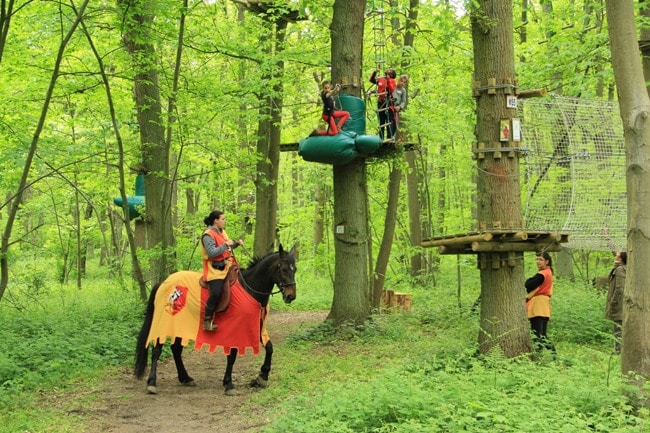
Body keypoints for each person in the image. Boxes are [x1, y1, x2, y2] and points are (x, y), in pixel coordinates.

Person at [200, 210, 243, 331]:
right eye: (223, 219)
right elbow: (212, 252)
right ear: (215, 220)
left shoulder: (222, 231)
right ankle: (207, 320)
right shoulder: (208, 234)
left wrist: (236, 244)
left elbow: (227, 245)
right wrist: (225, 245)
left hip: (227, 266)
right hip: (214, 269)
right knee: (216, 292)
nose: (225, 221)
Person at [525, 252, 557, 355]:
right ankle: (553, 355)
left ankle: (539, 355)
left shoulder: (543, 274)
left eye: (540, 259)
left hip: (538, 306)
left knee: (537, 334)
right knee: (542, 335)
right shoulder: (548, 273)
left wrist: (528, 283)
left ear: (547, 261)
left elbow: (528, 284)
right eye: (537, 259)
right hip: (544, 306)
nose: (538, 261)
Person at [605, 250, 626, 353]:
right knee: (618, 326)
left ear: (621, 258)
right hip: (619, 302)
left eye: (618, 253)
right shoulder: (620, 267)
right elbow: (613, 249)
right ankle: (618, 349)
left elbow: (619, 288)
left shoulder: (620, 270)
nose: (616, 254)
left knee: (618, 327)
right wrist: (606, 236)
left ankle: (618, 350)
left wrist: (613, 301)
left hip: (619, 303)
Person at [369, 66, 397, 140]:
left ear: (392, 74)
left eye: (390, 69)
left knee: (389, 121)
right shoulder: (381, 79)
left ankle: (389, 138)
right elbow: (372, 80)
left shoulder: (392, 81)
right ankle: (380, 138)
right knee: (381, 121)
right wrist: (376, 72)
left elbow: (392, 90)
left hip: (388, 103)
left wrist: (388, 80)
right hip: (380, 103)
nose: (388, 69)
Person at [392, 74, 408, 138]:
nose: (402, 83)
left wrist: (400, 107)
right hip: (389, 106)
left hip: (397, 108)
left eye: (404, 82)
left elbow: (404, 101)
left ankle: (393, 137)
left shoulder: (403, 90)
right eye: (401, 81)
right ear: (399, 80)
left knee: (395, 123)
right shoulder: (392, 85)